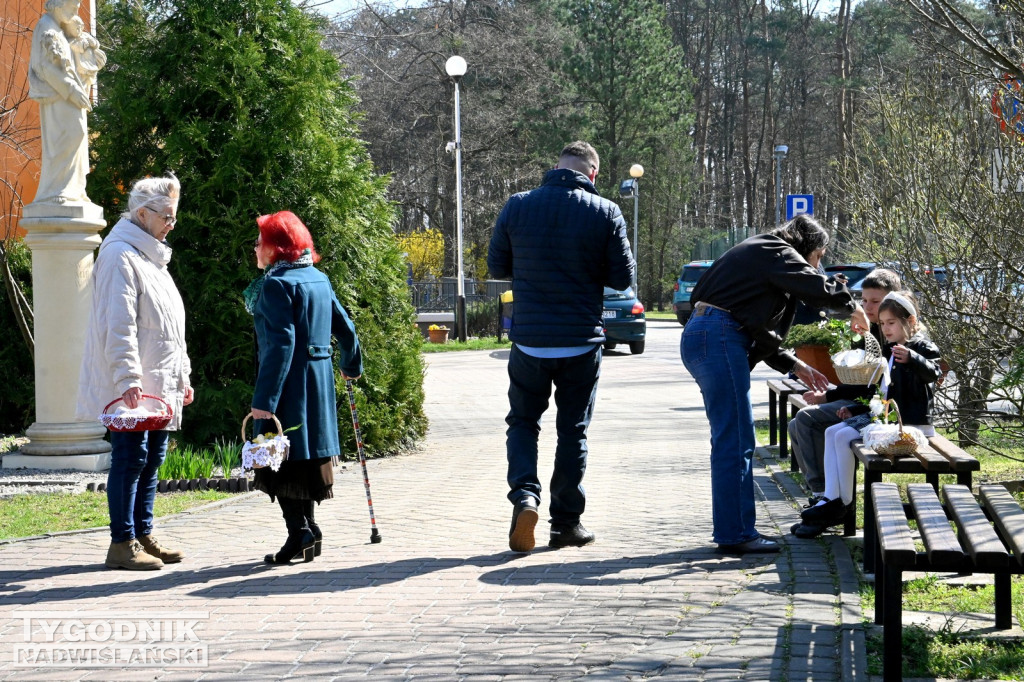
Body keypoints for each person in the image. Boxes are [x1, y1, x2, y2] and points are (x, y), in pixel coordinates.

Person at [681, 215, 869, 554]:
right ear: (808, 248)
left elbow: (754, 326)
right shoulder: (776, 249)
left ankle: (733, 529)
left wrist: (795, 364)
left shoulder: (761, 253)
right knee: (735, 438)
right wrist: (853, 306)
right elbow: (816, 288)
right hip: (718, 337)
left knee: (731, 437)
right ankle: (735, 534)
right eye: (820, 257)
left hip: (707, 334)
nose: (819, 266)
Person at [487, 141, 635, 553]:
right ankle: (565, 524)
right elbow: (622, 278)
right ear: (593, 173)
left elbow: (497, 266)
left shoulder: (518, 205)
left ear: (557, 166)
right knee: (572, 431)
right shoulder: (605, 211)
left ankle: (525, 497)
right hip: (580, 341)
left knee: (522, 423)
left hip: (530, 340)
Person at [77, 175, 193, 570]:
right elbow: (118, 323)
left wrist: (183, 376)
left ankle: (143, 532)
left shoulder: (151, 257)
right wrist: (127, 378)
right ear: (142, 214)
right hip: (134, 384)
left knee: (152, 456)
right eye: (167, 216)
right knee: (130, 457)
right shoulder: (119, 255)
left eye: (175, 217)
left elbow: (170, 327)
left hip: (159, 381)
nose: (171, 224)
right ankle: (121, 541)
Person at [246, 211, 362, 565]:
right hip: (319, 383)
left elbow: (281, 345)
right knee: (305, 457)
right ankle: (309, 531)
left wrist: (264, 401)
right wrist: (350, 366)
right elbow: (346, 327)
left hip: (290, 387)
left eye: (260, 240)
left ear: (276, 247)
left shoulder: (276, 284)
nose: (255, 247)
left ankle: (300, 532)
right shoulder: (318, 278)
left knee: (279, 458)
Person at [795, 291, 942, 536]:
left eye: (891, 323)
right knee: (834, 432)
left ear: (911, 322)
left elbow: (934, 373)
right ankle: (831, 499)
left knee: (841, 436)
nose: (885, 329)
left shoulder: (920, 347)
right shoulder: (891, 351)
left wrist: (913, 358)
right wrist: (854, 408)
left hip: (911, 425)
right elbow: (879, 392)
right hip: (887, 419)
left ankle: (839, 503)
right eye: (882, 324)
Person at [789, 268, 902, 500]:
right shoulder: (867, 331)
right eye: (864, 300)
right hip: (862, 400)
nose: (868, 307)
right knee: (795, 425)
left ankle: (825, 495)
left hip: (881, 410)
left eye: (875, 301)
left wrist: (828, 397)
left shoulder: (892, 332)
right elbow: (858, 381)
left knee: (807, 419)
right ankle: (823, 491)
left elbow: (875, 387)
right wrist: (830, 392)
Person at [28, 0, 93, 205]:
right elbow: (44, 67)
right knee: (70, 135)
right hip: (58, 96)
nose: (76, 11)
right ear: (58, 5)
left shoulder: (59, 28)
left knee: (78, 135)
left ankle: (73, 189)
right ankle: (56, 190)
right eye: (73, 6)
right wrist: (71, 90)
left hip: (67, 94)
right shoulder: (45, 26)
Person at [62, 15, 106, 94]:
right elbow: (76, 47)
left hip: (90, 66)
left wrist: (92, 42)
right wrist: (83, 45)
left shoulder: (85, 35)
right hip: (80, 69)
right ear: (69, 29)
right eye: (75, 29)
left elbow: (96, 44)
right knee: (80, 87)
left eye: (79, 28)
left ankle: (85, 102)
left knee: (87, 87)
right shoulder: (69, 40)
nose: (78, 31)